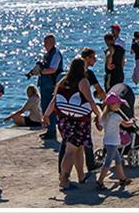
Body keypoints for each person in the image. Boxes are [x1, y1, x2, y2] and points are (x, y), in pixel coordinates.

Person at [45, 57, 97, 191]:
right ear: (82, 68)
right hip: (79, 122)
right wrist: (99, 115)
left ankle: (81, 176)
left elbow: (54, 100)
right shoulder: (83, 81)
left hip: (64, 120)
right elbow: (90, 100)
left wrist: (46, 115)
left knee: (78, 148)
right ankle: (64, 180)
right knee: (71, 150)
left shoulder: (63, 81)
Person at [95, 93, 131, 189]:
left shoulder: (104, 116)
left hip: (107, 142)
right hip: (113, 143)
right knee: (108, 163)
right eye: (118, 104)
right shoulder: (116, 117)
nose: (119, 106)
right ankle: (100, 181)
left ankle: (122, 178)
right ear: (113, 105)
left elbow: (100, 126)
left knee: (118, 160)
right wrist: (132, 121)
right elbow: (126, 124)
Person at [32, 33, 63, 142]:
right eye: (44, 43)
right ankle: (49, 130)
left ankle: (52, 132)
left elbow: (53, 69)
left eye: (47, 42)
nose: (44, 45)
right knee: (45, 107)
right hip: (45, 84)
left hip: (51, 85)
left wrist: (40, 72)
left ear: (52, 43)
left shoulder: (56, 54)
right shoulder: (48, 54)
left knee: (50, 109)